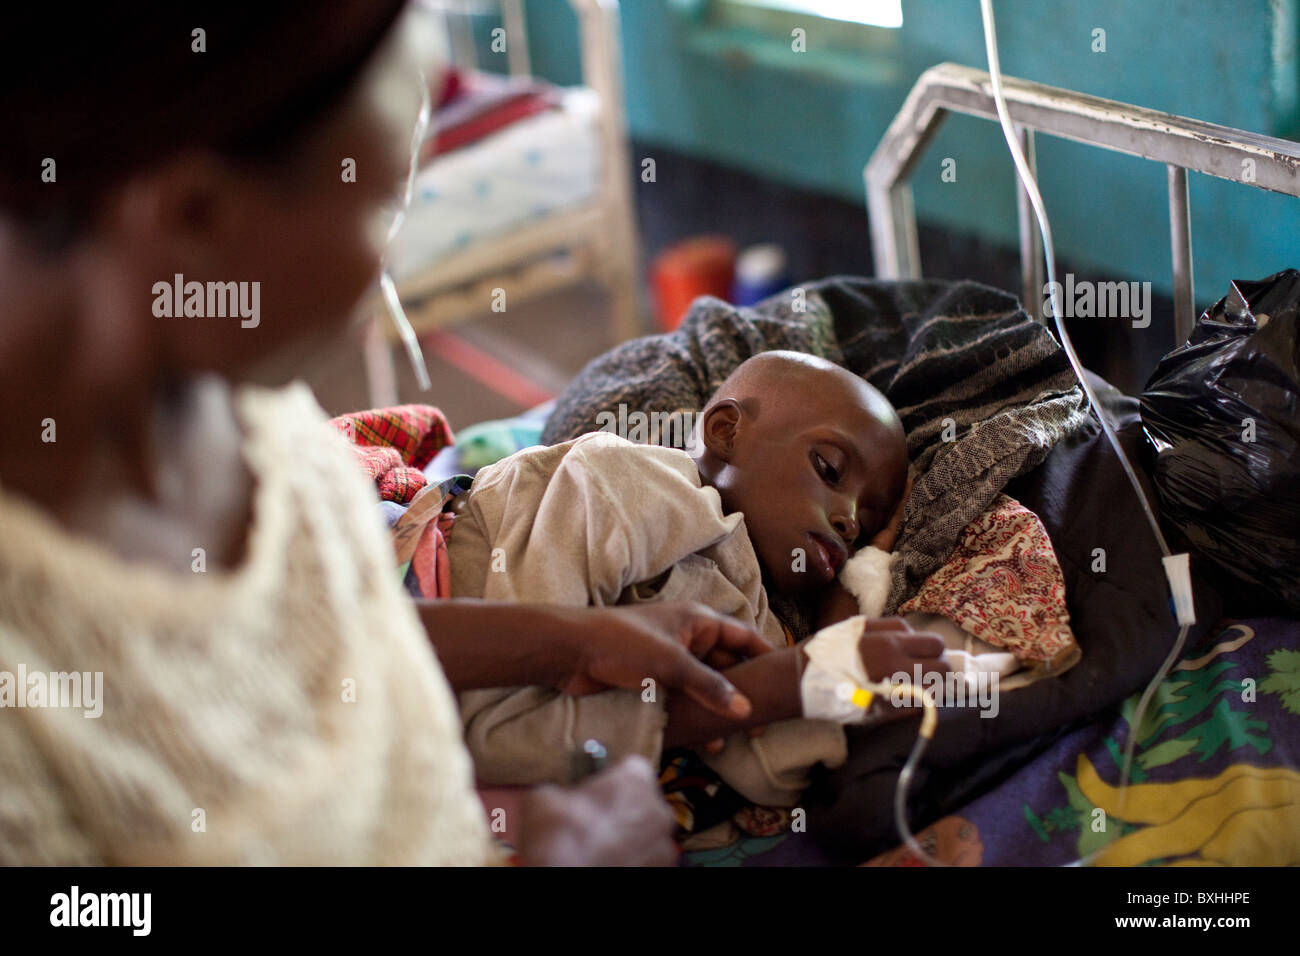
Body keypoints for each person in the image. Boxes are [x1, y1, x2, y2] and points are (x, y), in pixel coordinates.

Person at [0, 2, 784, 866]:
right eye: (382, 210)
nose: (390, 270)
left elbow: (321, 642)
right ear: (192, 217)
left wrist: (569, 638)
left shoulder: (256, 422)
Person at [446, 351, 951, 811]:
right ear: (728, 432)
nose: (849, 521)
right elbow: (501, 729)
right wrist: (787, 681)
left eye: (866, 521)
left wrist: (843, 611)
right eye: (830, 469)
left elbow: (776, 767)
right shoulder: (620, 479)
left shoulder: (747, 602)